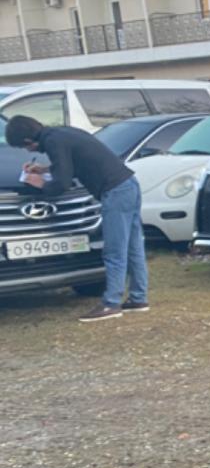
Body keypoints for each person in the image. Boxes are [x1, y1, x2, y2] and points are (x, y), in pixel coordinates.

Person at [5, 114, 148, 322]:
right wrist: (44, 169)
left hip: (114, 192)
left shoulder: (53, 142)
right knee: (133, 246)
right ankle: (139, 298)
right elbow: (72, 165)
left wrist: (39, 183)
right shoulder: (62, 133)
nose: (29, 151)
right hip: (128, 184)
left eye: (25, 147)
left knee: (114, 251)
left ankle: (111, 303)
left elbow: (61, 184)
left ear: (28, 140)